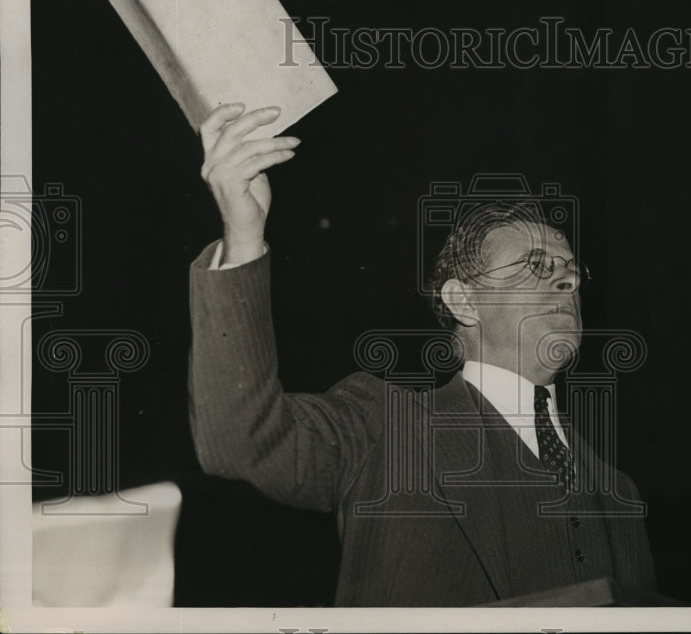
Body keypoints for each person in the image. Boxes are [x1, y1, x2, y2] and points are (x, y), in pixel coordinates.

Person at [188, 103, 658, 606]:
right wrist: (243, 235)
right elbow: (241, 438)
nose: (565, 279)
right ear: (463, 300)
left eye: (570, 270)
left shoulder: (618, 492)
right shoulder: (385, 427)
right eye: (534, 265)